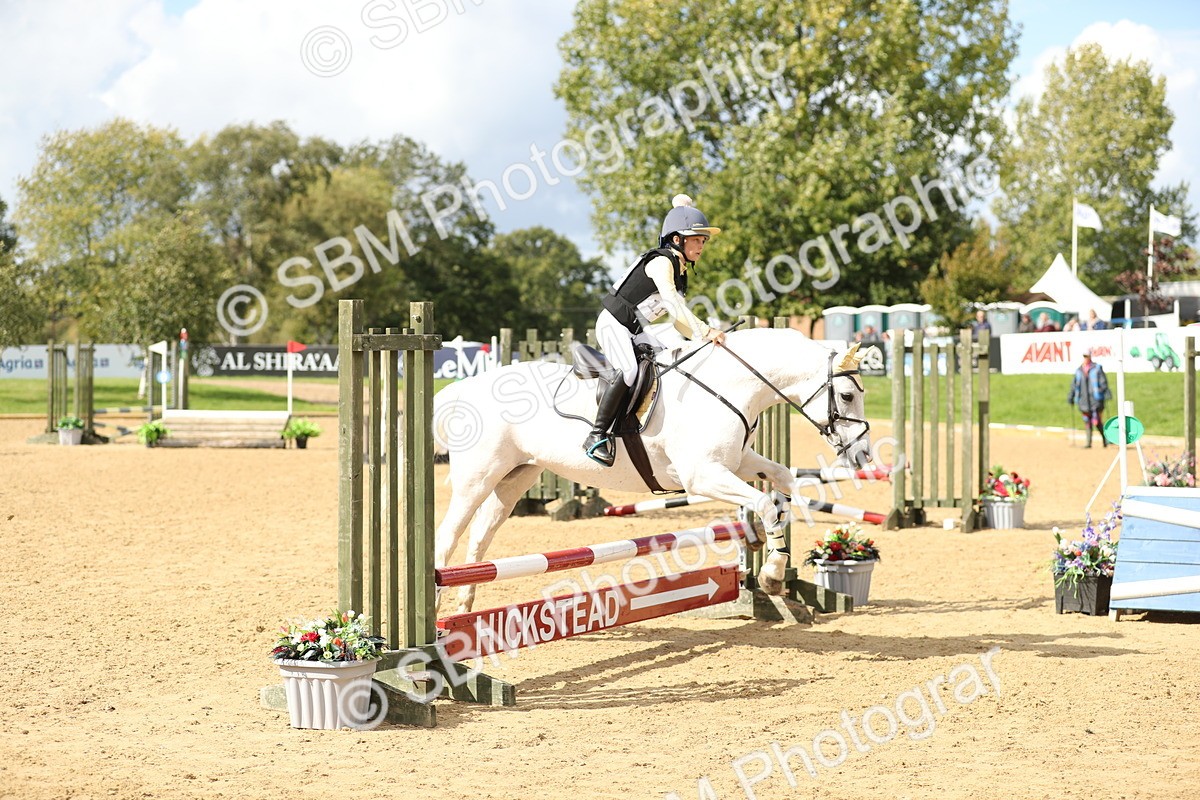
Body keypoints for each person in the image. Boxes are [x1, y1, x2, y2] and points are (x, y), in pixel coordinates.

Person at [583, 194, 725, 466]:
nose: (701, 245)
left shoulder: (680, 270)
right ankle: (597, 434)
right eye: (695, 239)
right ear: (676, 240)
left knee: (667, 363)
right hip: (614, 323)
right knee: (629, 370)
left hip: (635, 330)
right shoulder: (661, 262)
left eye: (703, 240)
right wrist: (706, 330)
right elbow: (672, 305)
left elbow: (679, 321)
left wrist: (701, 340)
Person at [1068, 348, 1109, 448]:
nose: (1085, 358)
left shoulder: (1097, 368)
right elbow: (1074, 385)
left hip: (1096, 400)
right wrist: (1071, 396)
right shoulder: (1079, 370)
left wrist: (1104, 392)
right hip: (1084, 400)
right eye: (1084, 356)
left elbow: (1103, 382)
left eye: (1087, 356)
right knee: (1087, 421)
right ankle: (1088, 442)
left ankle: (1105, 440)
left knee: (1097, 421)